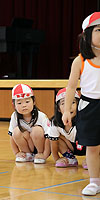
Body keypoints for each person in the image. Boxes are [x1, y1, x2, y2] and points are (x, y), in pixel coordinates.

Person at [62, 12, 100, 196]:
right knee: (92, 147)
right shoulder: (80, 61)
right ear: (87, 35)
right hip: (89, 107)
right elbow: (70, 88)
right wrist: (68, 110)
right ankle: (94, 182)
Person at [8, 84, 51, 164]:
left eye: (27, 101)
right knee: (16, 131)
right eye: (19, 103)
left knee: (37, 130)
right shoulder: (14, 116)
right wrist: (17, 153)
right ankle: (28, 154)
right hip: (28, 145)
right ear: (14, 105)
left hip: (41, 146)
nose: (24, 105)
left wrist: (45, 154)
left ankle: (39, 153)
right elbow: (11, 136)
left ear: (34, 101)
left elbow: (49, 137)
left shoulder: (41, 116)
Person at [48, 88, 87, 168]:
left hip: (88, 147)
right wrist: (57, 158)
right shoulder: (55, 122)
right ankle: (70, 158)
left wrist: (90, 158)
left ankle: (93, 158)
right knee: (54, 137)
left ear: (78, 105)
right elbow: (53, 142)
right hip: (71, 146)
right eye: (63, 103)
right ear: (58, 108)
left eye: (72, 102)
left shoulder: (85, 119)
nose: (68, 107)